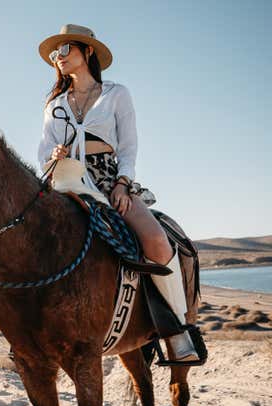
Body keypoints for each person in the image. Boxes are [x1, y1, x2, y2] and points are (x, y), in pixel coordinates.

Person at [37, 25, 200, 362]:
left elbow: (128, 146)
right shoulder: (54, 104)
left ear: (88, 52)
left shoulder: (116, 94)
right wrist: (53, 157)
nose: (59, 58)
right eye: (55, 54)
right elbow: (42, 153)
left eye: (65, 49)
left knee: (156, 241)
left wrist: (123, 184)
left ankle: (179, 331)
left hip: (109, 180)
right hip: (66, 182)